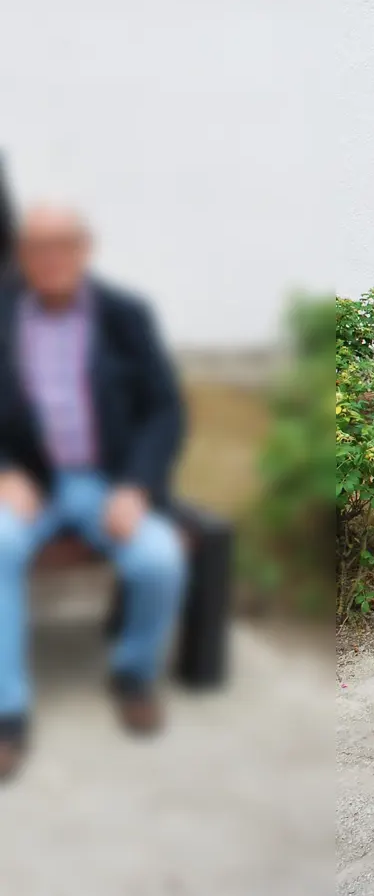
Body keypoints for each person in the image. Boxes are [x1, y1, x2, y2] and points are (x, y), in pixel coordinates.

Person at [0, 205, 188, 782]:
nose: (52, 258)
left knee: (160, 558)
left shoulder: (122, 315)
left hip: (106, 483)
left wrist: (135, 487)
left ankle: (132, 672)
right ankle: (8, 711)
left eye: (64, 244)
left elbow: (163, 408)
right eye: (38, 247)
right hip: (25, 483)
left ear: (84, 250)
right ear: (22, 255)